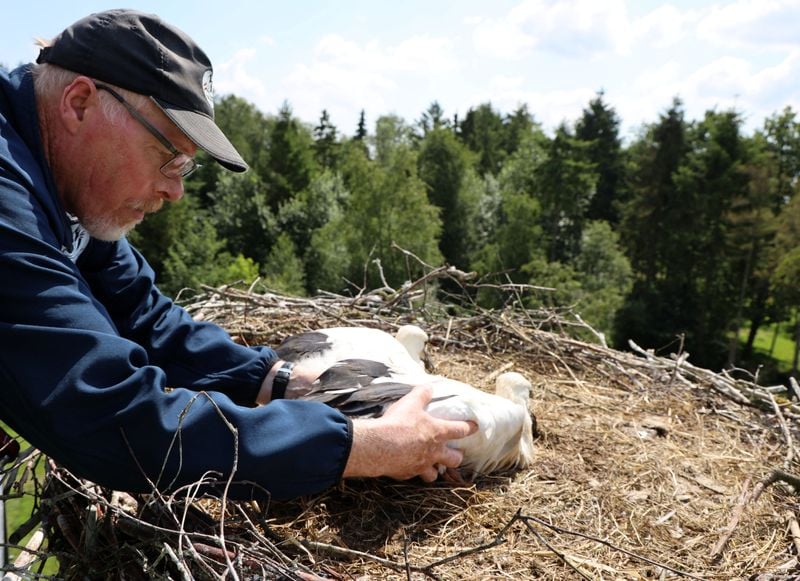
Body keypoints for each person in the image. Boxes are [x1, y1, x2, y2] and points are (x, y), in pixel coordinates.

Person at [0, 9, 475, 501]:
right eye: (170, 158)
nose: (174, 190)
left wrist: (276, 379)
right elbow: (110, 418)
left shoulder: (59, 181)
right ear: (79, 103)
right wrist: (364, 446)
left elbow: (139, 312)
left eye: (187, 167)